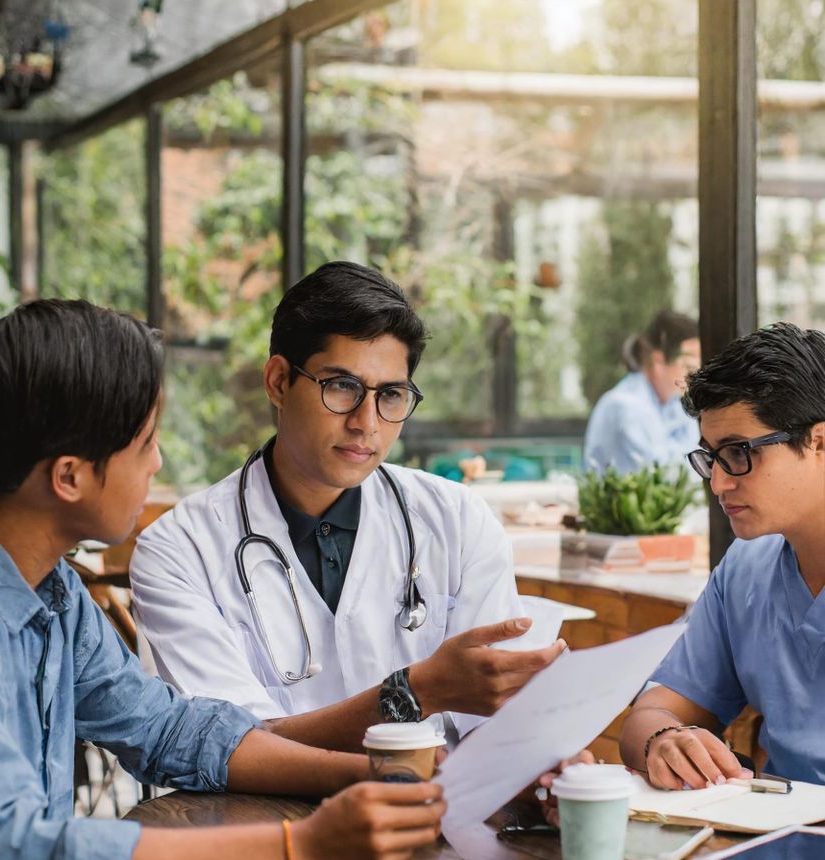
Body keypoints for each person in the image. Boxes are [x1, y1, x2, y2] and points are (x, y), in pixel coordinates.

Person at [0, 300, 448, 860]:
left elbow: (171, 730)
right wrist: (302, 850)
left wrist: (366, 776)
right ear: (70, 476)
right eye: (144, 443)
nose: (159, 463)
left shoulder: (51, 588)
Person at [131, 261, 566, 754]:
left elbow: (494, 726)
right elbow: (235, 749)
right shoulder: (178, 552)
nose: (367, 423)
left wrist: (541, 764)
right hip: (262, 825)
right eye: (342, 387)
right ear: (277, 382)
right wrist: (414, 693)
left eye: (391, 395)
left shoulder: (458, 521)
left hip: (434, 816)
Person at [620, 322, 825, 789]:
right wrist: (666, 740)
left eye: (738, 453)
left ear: (818, 442)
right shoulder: (745, 570)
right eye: (712, 457)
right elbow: (652, 712)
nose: (717, 483)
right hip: (776, 842)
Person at [583, 310, 700, 475]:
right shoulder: (625, 406)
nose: (694, 377)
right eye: (689, 366)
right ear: (658, 361)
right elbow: (669, 477)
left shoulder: (675, 406)